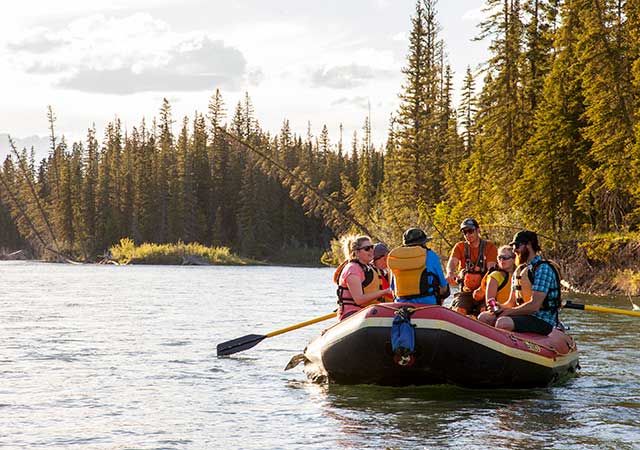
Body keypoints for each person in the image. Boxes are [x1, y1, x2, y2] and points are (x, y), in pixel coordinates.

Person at [490, 230, 562, 335]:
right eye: (513, 246)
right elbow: (511, 303)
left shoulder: (543, 269)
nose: (514, 250)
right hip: (524, 316)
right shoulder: (520, 271)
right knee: (484, 317)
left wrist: (508, 313)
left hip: (543, 321)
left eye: (517, 245)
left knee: (503, 322)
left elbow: (534, 306)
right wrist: (500, 307)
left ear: (528, 245)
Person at [445, 218, 497, 316]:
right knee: (459, 311)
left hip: (484, 291)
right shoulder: (460, 247)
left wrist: (482, 289)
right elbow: (452, 262)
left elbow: (492, 270)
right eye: (465, 232)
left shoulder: (490, 247)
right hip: (466, 292)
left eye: (470, 231)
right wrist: (450, 272)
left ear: (478, 230)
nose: (468, 235)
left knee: (485, 313)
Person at [334, 235, 392, 320]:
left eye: (372, 247)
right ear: (357, 252)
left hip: (367, 312)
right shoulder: (352, 269)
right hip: (351, 313)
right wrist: (384, 292)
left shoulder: (370, 268)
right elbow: (359, 299)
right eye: (367, 248)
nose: (371, 250)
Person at [387, 228, 449, 305]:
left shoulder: (397, 258)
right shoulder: (431, 255)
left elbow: (393, 291)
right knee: (446, 289)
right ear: (423, 243)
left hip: (401, 305)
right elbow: (444, 287)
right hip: (427, 304)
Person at [477, 245, 517, 326]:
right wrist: (500, 312)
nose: (502, 260)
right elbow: (490, 302)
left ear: (513, 259)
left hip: (517, 311)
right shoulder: (495, 276)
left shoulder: (521, 274)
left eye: (505, 257)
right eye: (499, 257)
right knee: (483, 317)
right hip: (499, 312)